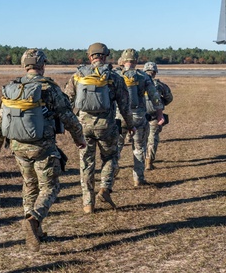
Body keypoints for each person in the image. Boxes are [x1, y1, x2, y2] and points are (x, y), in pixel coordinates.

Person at [0, 49, 86, 251]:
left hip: (17, 147)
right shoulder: (48, 88)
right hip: (42, 147)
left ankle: (34, 228)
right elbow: (68, 116)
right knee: (51, 186)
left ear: (24, 65)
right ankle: (34, 219)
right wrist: (79, 139)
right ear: (42, 65)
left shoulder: (12, 88)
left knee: (29, 184)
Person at [63, 43, 131, 213]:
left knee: (86, 163)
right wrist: (130, 125)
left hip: (83, 127)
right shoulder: (114, 77)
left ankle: (88, 203)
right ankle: (105, 189)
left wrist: (70, 125)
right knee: (111, 156)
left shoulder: (78, 76)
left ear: (90, 57)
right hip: (106, 126)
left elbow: (67, 102)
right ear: (106, 56)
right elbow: (124, 106)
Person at [114, 49, 165, 187]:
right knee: (139, 148)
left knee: (116, 148)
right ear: (136, 61)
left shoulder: (115, 75)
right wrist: (159, 114)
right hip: (138, 117)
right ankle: (138, 178)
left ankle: (110, 176)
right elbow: (154, 97)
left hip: (118, 117)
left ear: (123, 60)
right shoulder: (143, 76)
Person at [142, 62, 173, 170]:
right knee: (152, 139)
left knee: (140, 140)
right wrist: (161, 104)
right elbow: (169, 97)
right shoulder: (160, 85)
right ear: (155, 72)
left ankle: (139, 163)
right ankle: (149, 162)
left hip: (140, 115)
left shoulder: (138, 83)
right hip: (155, 115)